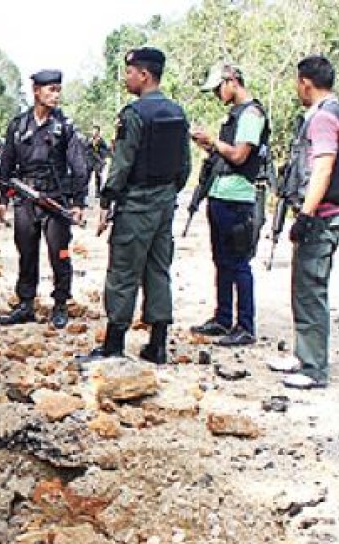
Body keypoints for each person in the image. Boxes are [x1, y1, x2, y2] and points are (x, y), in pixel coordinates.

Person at [86, 47, 190, 364]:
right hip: (165, 201)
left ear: (144, 75)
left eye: (129, 72)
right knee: (158, 269)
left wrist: (107, 199)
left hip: (137, 202)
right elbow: (184, 166)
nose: (126, 78)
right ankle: (157, 344)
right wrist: (167, 192)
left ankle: (114, 344)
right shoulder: (177, 112)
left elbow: (121, 163)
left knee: (123, 271)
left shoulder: (134, 115)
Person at [0, 69, 88, 330]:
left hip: (55, 199)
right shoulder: (18, 125)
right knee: (26, 252)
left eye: (58, 90)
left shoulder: (65, 126)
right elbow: (6, 163)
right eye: (51, 90)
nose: (56, 95)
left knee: (60, 253)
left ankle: (60, 303)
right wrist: (2, 198)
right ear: (36, 91)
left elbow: (79, 166)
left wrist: (78, 203)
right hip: (25, 198)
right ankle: (26, 303)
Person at [268, 55, 339, 389]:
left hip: (322, 215)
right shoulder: (332, 111)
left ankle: (313, 368)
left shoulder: (323, 118)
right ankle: (304, 354)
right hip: (325, 212)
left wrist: (307, 215)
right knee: (304, 286)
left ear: (306, 83)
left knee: (311, 289)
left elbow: (323, 166)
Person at [190, 63, 269, 347]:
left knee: (238, 263)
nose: (216, 94)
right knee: (221, 260)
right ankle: (223, 318)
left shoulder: (251, 114)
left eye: (217, 88)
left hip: (238, 198)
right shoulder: (236, 114)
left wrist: (213, 141)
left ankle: (245, 325)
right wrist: (208, 145)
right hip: (220, 194)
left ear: (232, 81)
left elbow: (238, 155)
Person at [87, 125, 111, 196]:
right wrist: (91, 144)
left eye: (96, 131)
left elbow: (105, 149)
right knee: (87, 175)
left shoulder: (101, 140)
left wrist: (102, 158)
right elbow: (86, 148)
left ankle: (97, 191)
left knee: (97, 175)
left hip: (98, 160)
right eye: (93, 130)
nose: (94, 132)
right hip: (90, 160)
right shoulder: (90, 140)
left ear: (98, 132)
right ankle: (85, 190)